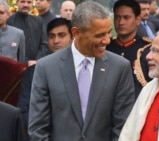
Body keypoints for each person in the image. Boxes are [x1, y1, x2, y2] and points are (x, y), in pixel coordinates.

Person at [28, 1, 135, 141]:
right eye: (99, 35)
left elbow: (123, 126)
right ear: (76, 33)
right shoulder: (46, 67)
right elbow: (38, 128)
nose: (107, 40)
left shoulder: (120, 68)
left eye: (108, 33)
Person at [18, 17, 73, 131]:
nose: (56, 41)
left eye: (61, 35)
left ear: (73, 37)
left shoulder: (81, 68)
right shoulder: (35, 70)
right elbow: (24, 109)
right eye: (52, 36)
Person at [107, 0, 151, 97]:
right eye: (117, 17)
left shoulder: (147, 50)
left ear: (138, 20)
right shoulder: (107, 48)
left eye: (126, 18)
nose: (121, 22)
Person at [7, 0, 48, 66]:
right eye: (23, 2)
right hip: (17, 66)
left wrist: (37, 60)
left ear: (32, 4)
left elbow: (44, 43)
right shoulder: (9, 21)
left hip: (37, 65)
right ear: (17, 2)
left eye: (29, 2)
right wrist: (25, 61)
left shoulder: (38, 21)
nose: (26, 5)